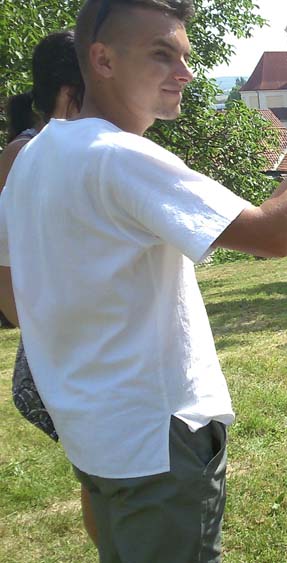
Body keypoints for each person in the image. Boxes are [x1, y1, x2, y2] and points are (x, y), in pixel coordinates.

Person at [0, 1, 287, 561]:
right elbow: (272, 235)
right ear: (102, 60)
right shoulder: (117, 156)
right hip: (155, 440)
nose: (186, 73)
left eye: (185, 57)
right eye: (162, 55)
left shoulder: (32, 155)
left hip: (94, 432)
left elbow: (15, 292)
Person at [0, 30, 99, 545]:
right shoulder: (26, 154)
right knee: (99, 473)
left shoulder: (43, 149)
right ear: (69, 92)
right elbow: (6, 263)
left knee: (99, 472)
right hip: (57, 353)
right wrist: (45, 337)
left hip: (69, 346)